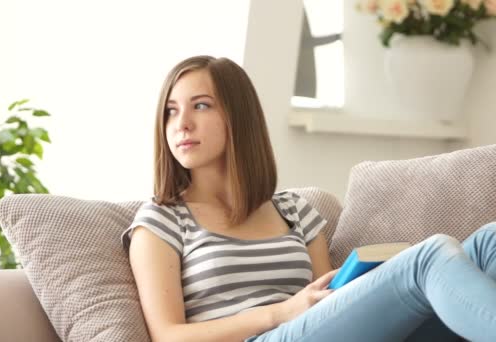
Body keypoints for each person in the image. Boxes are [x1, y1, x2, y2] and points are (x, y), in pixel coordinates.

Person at [121, 55, 496, 342]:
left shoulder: (294, 211)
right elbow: (168, 335)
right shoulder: (161, 219)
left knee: (489, 241)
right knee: (429, 256)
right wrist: (281, 312)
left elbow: (330, 302)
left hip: (313, 329)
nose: (181, 123)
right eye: (171, 112)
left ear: (238, 116)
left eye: (200, 105)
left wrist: (367, 285)